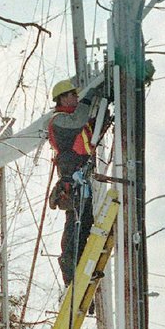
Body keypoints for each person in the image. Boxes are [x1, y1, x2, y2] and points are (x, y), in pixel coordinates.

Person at [48, 77, 101, 287]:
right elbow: (80, 119)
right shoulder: (61, 120)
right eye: (73, 95)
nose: (76, 98)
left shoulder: (71, 120)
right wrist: (90, 98)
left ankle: (80, 267)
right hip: (73, 183)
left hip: (81, 181)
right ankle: (70, 268)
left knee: (84, 223)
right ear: (62, 98)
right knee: (75, 227)